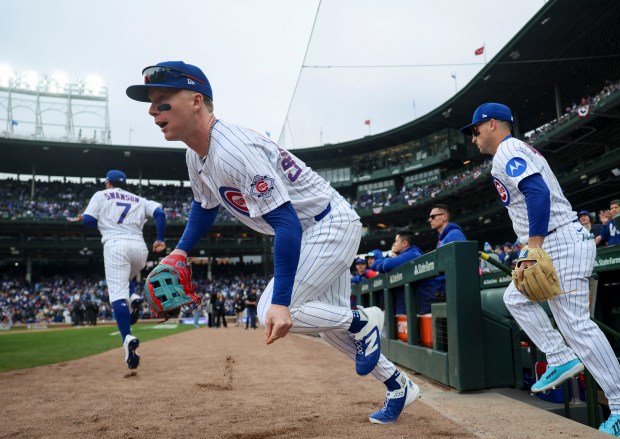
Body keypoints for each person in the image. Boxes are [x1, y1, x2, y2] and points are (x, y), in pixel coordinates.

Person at [126, 61, 419, 424]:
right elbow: (204, 206)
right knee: (330, 330)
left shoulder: (233, 148)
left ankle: (361, 320)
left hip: (326, 225)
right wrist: (181, 250)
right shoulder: (195, 153)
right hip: (314, 227)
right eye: (152, 103)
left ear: (197, 100)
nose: (153, 110)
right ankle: (397, 384)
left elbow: (286, 223)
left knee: (272, 310)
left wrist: (281, 302)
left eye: (163, 100)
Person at [461, 102, 620, 436]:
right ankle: (559, 355)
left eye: (475, 130)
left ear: (491, 124)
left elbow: (536, 191)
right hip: (558, 239)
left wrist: (534, 245)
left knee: (577, 326)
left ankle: (618, 407)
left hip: (558, 240)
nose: (473, 138)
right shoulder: (512, 150)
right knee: (516, 299)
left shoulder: (507, 150)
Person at [72, 170, 166, 370]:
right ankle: (133, 298)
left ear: (108, 183)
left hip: (115, 245)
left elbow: (89, 221)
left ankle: (127, 338)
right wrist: (160, 238)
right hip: (139, 250)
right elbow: (159, 212)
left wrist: (94, 219)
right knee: (126, 279)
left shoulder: (100, 195)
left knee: (116, 294)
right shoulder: (138, 198)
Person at [373, 230, 439, 315]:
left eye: (396, 241)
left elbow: (386, 265)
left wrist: (382, 263)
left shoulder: (413, 254)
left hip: (422, 309)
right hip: (415, 307)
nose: (394, 244)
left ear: (405, 244)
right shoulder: (408, 254)